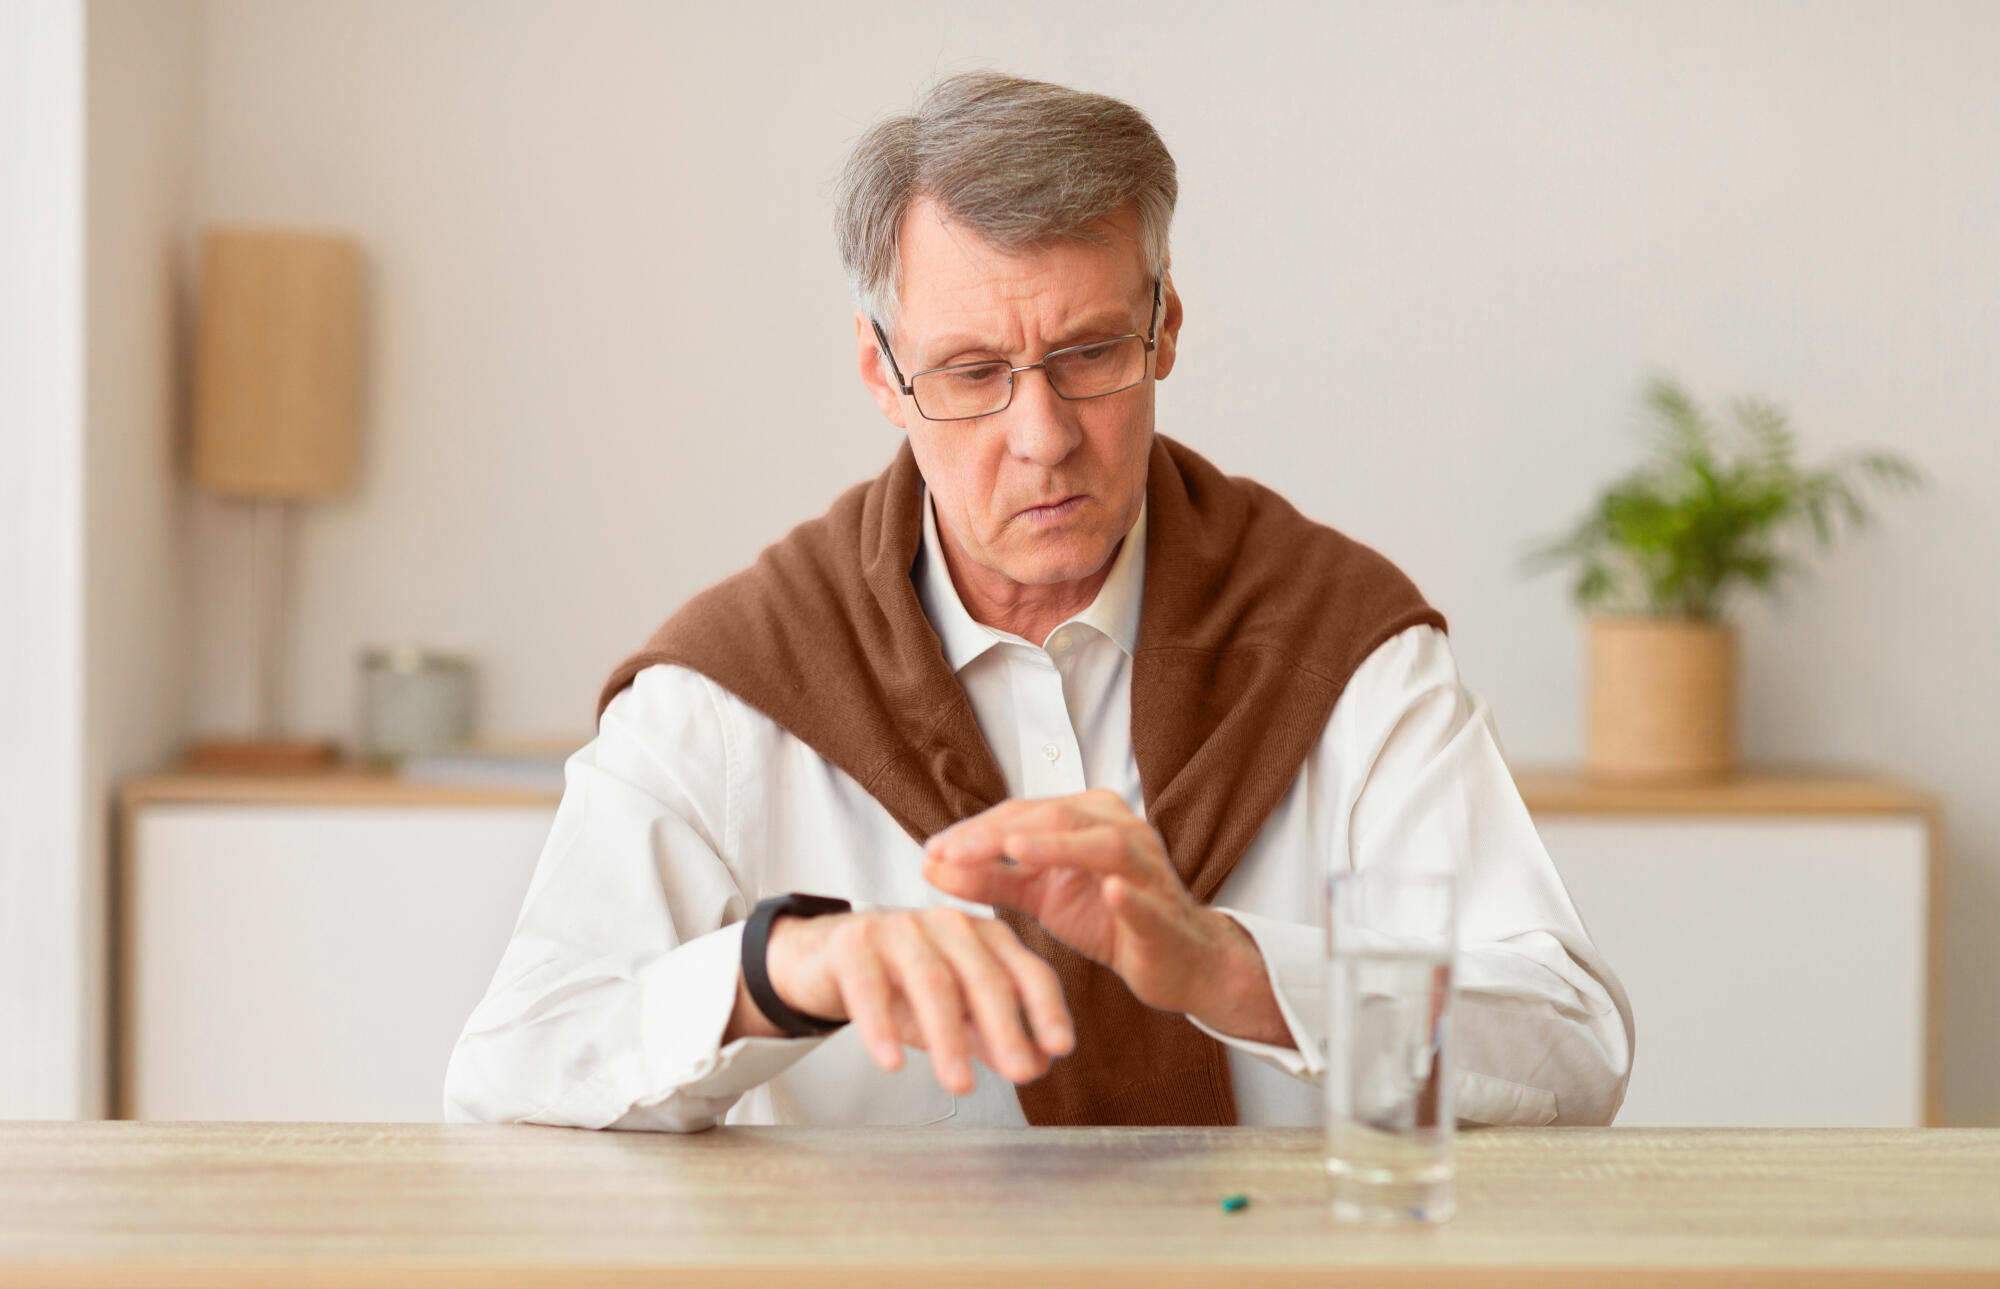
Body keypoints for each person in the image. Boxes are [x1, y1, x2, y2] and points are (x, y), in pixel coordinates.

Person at [444, 71, 1633, 1131]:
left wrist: (1230, 969)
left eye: (1088, 353)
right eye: (970, 372)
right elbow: (511, 1064)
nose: (1042, 435)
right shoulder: (729, 684)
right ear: (880, 370)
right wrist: (778, 968)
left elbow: (1569, 1043)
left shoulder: (1339, 642)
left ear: (1164, 326)